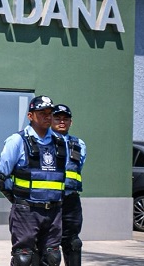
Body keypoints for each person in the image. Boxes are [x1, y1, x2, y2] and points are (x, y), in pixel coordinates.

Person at [0, 95, 67, 266]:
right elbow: (1, 179)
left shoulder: (60, 142)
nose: (47, 117)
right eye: (42, 113)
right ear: (30, 116)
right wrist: (19, 200)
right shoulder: (17, 141)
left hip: (54, 211)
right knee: (23, 258)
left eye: (50, 113)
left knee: (52, 257)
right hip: (26, 211)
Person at [51, 104, 86, 266]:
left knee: (73, 243)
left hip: (71, 199)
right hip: (49, 199)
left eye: (65, 119)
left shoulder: (79, 144)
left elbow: (78, 168)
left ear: (71, 122)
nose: (62, 122)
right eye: (57, 118)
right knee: (48, 246)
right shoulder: (44, 142)